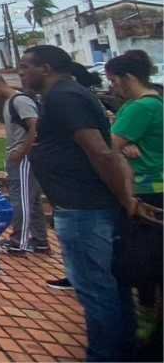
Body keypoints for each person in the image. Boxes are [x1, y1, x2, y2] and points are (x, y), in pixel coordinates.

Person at [19, 44, 141, 361]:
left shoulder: (65, 97)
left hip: (85, 209)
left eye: (25, 67)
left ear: (45, 68)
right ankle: (123, 348)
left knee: (95, 288)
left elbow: (100, 151)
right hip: (82, 206)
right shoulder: (64, 95)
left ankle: (106, 354)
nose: (21, 73)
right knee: (108, 285)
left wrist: (123, 196)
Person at [105, 50, 163, 349]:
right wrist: (124, 146)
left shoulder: (138, 107)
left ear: (128, 78)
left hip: (144, 193)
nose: (113, 86)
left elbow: (107, 146)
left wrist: (119, 147)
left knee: (141, 264)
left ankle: (144, 333)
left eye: (114, 80)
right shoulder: (157, 102)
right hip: (156, 188)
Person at [0, 71, 49, 255]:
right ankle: (39, 241)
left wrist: (23, 150)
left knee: (22, 200)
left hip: (24, 156)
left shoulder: (19, 100)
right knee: (31, 201)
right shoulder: (11, 102)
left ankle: (19, 241)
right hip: (20, 154)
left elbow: (35, 125)